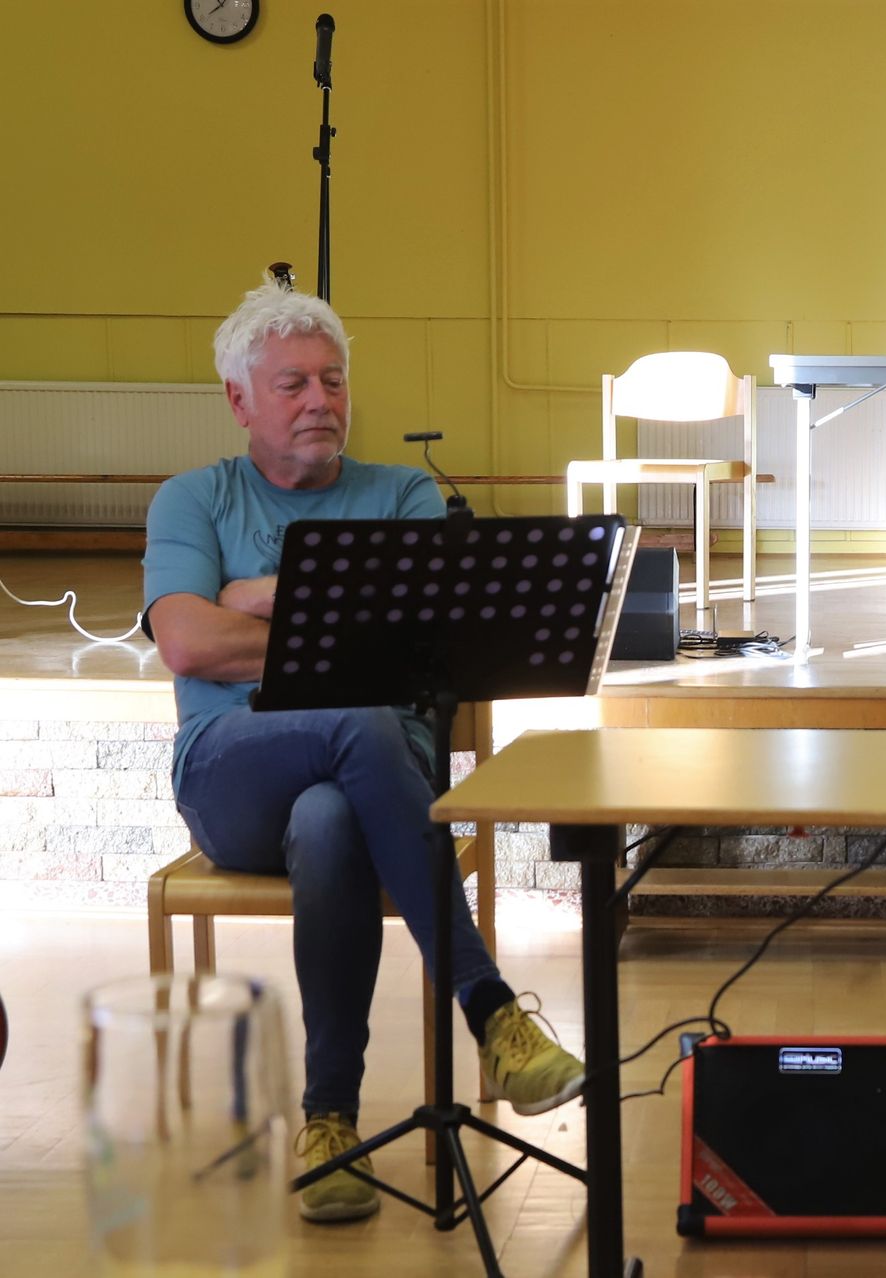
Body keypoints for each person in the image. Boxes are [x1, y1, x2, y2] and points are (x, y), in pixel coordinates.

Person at [143, 277, 586, 1223]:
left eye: (334, 381)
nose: (321, 401)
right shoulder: (193, 500)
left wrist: (253, 596)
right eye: (294, 384)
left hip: (372, 783)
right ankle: (491, 1009)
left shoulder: (404, 493)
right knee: (360, 718)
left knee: (332, 813)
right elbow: (185, 643)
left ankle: (330, 1122)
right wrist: (331, 622)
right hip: (231, 769)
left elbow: (417, 643)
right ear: (239, 400)